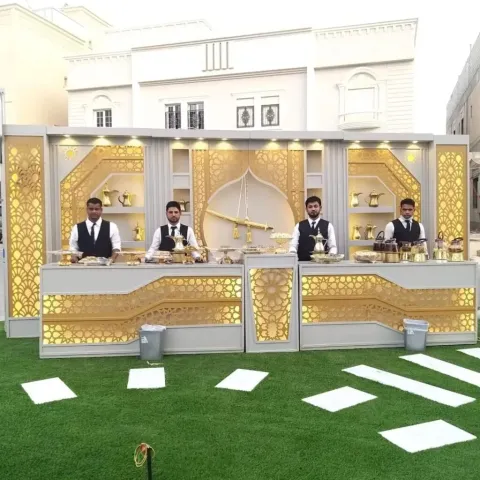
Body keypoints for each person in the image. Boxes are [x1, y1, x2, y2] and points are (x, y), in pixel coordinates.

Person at [69, 197, 121, 262]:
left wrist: (112, 258)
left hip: (105, 266)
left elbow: (116, 246)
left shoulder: (112, 226)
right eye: (91, 209)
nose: (94, 211)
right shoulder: (76, 227)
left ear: (101, 210)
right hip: (83, 266)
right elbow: (73, 247)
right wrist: (74, 257)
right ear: (87, 210)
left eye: (97, 209)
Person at [289, 196, 337, 261]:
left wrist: (331, 256)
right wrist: (292, 255)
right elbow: (293, 246)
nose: (313, 209)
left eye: (315, 206)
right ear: (306, 209)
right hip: (302, 264)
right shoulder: (299, 226)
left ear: (320, 208)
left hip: (322, 263)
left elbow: (333, 247)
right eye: (310, 207)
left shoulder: (328, 225)